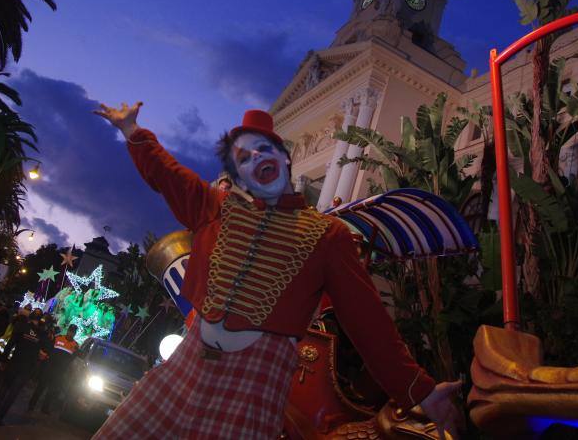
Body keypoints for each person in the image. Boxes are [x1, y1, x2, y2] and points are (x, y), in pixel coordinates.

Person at [91, 103, 463, 439]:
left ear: (285, 162)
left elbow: (369, 324)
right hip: (184, 374)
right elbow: (168, 175)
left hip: (250, 392)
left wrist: (421, 391)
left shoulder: (327, 236)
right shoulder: (217, 209)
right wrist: (132, 131)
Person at [0, 311, 48, 425]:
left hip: (14, 362)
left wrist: (3, 361)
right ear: (40, 319)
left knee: (4, 388)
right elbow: (43, 352)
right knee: (13, 393)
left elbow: (10, 345)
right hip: (26, 368)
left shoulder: (21, 327)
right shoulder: (41, 334)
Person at [28, 324, 79, 414]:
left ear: (75, 334)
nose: (71, 333)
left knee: (52, 390)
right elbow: (48, 348)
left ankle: (45, 408)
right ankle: (31, 405)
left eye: (73, 332)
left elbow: (72, 358)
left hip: (60, 371)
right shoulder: (58, 338)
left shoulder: (75, 345)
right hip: (49, 367)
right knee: (41, 387)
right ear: (68, 330)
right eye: (70, 331)